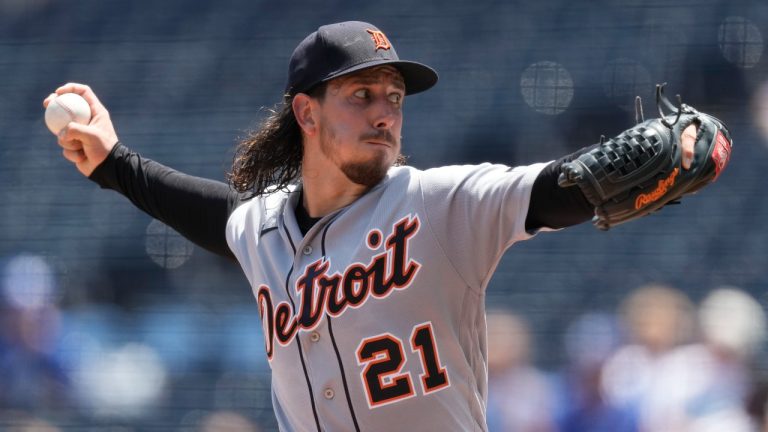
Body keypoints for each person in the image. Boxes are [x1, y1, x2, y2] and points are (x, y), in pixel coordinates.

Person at [44, 21, 708, 431]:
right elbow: (209, 215)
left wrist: (644, 159)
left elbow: (550, 191)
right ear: (306, 113)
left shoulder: (442, 203)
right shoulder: (261, 230)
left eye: (393, 97)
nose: (384, 112)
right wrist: (111, 163)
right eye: (360, 96)